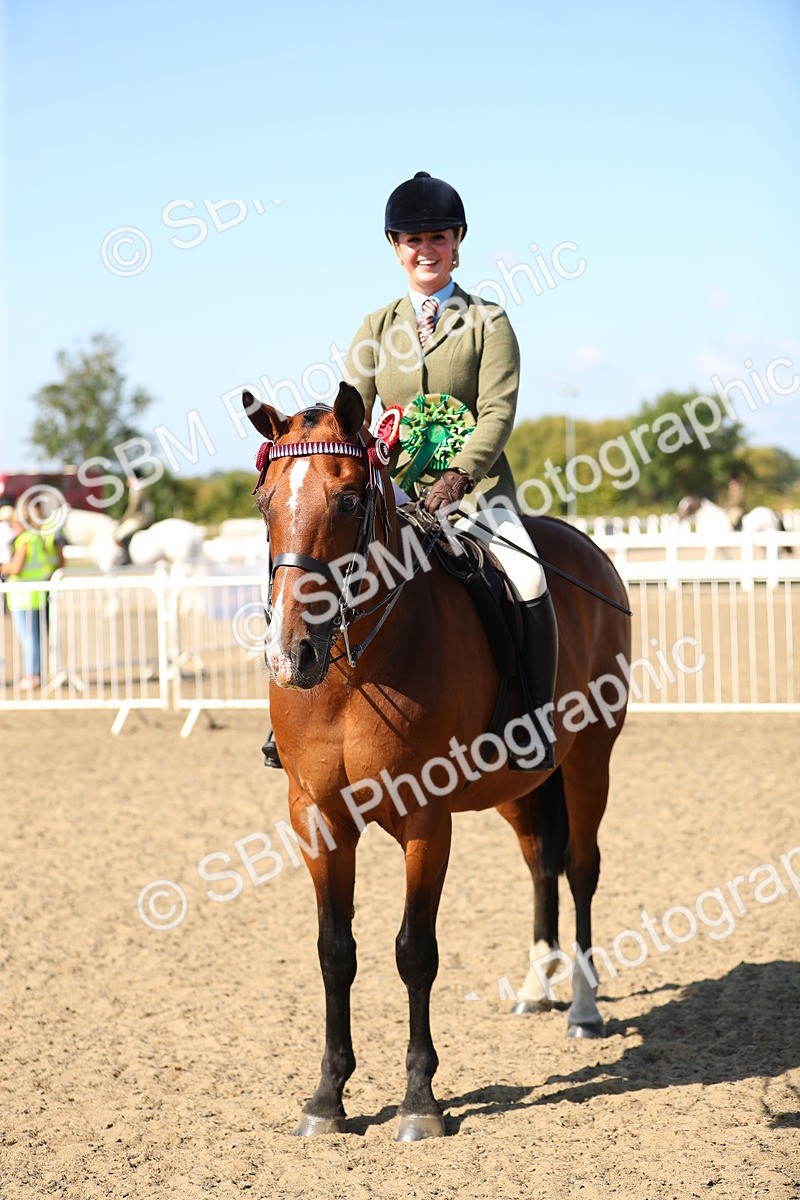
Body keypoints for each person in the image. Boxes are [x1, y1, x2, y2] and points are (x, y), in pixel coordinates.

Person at [262, 171, 557, 772]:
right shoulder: (375, 328)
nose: (427, 249)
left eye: (439, 237)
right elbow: (353, 424)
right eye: (413, 239)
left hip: (476, 499)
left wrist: (459, 477)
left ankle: (530, 716)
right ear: (396, 248)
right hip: (390, 498)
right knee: (308, 567)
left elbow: (498, 412)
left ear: (457, 243)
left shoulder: (489, 322)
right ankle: (291, 712)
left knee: (527, 576)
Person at [0, 508, 50, 689]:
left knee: (28, 638)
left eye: (13, 525)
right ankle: (34, 673)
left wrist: (3, 567)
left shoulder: (24, 540)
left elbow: (16, 568)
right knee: (33, 637)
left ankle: (31, 675)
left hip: (23, 597)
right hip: (34, 595)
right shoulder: (36, 538)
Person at [113, 471, 155, 563]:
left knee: (118, 535)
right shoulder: (140, 488)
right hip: (140, 517)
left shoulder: (137, 490)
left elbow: (133, 509)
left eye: (128, 479)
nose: (126, 481)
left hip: (140, 519)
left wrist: (121, 520)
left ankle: (126, 557)